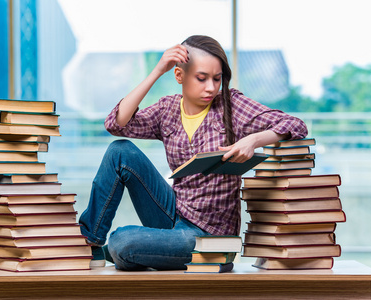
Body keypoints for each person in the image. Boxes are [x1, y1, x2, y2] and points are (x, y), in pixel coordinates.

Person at [79, 35, 308, 270]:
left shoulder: (232, 105)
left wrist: (253, 140)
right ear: (179, 75)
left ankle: (133, 251)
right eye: (201, 78)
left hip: (208, 237)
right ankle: (91, 244)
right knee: (120, 152)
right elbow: (116, 124)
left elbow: (295, 124)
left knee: (121, 241)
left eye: (216, 79)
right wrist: (157, 71)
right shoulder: (167, 109)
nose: (210, 87)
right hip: (173, 214)